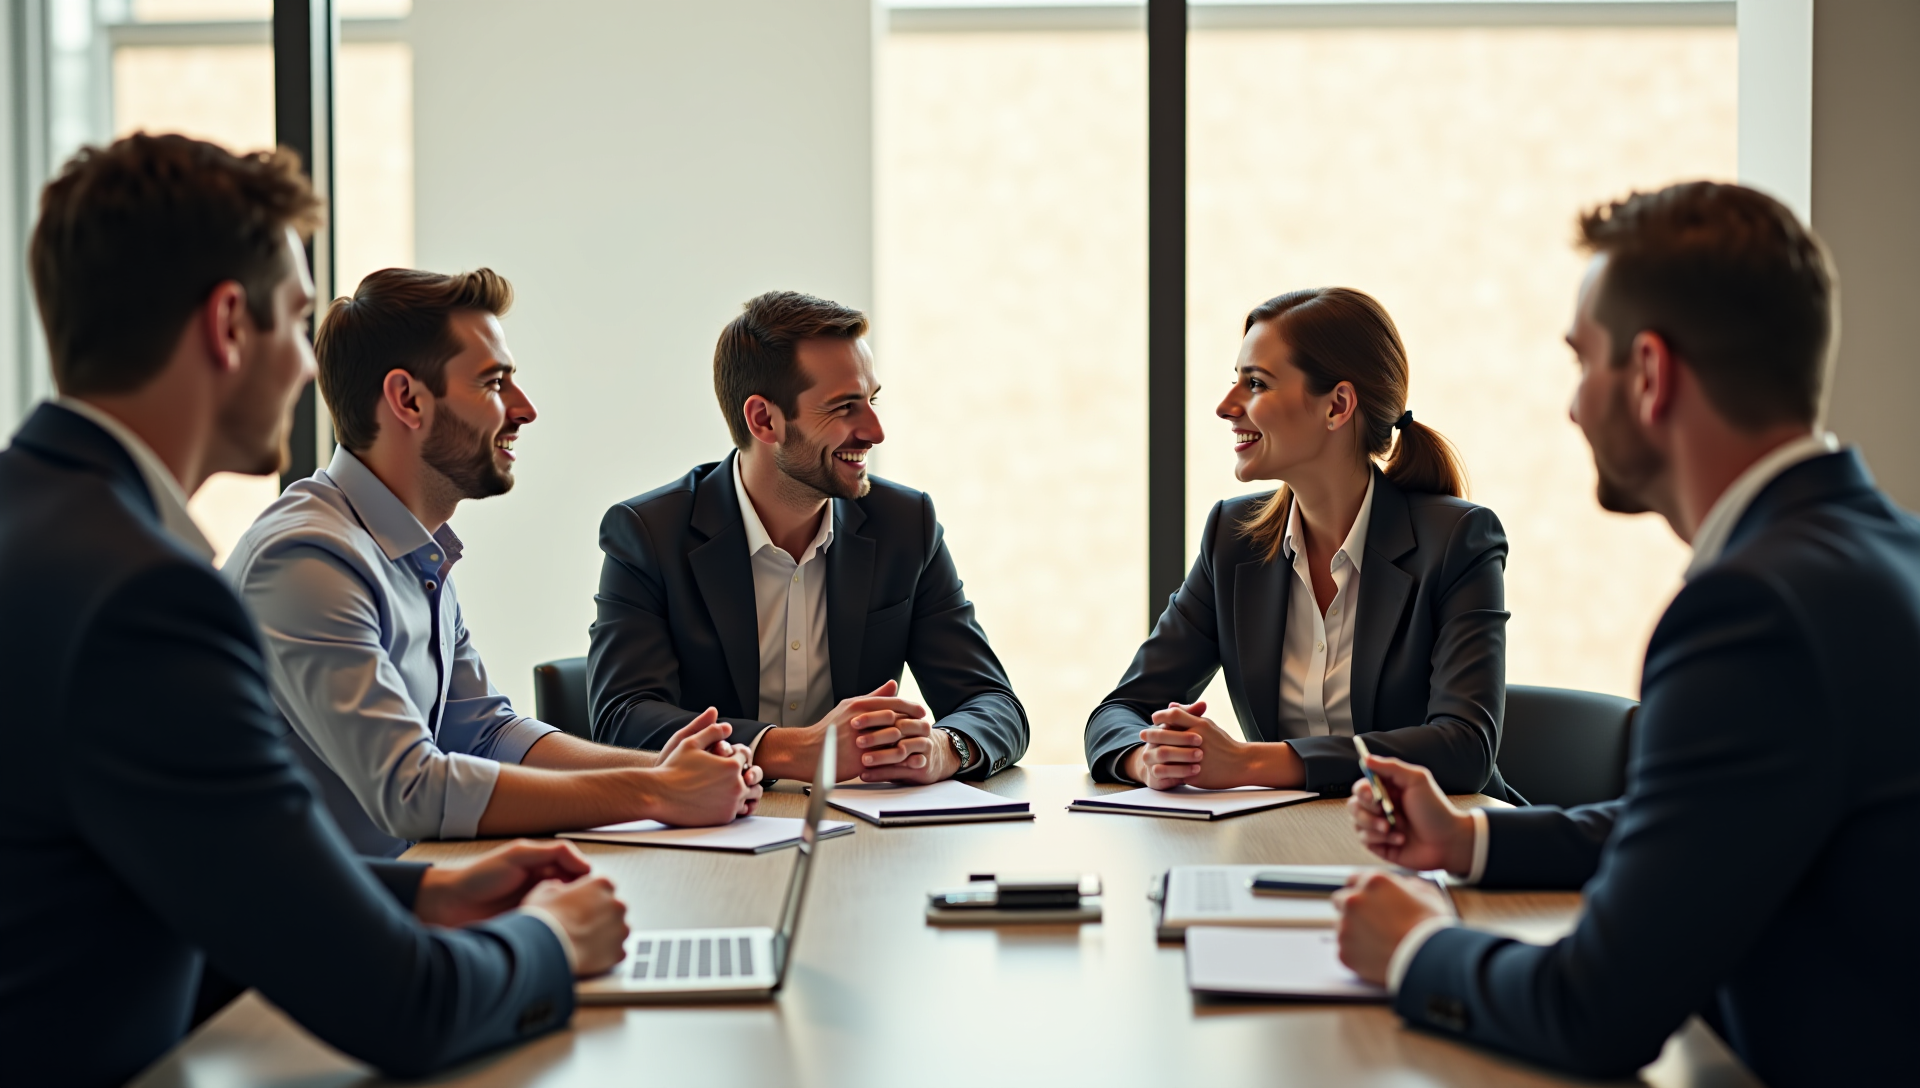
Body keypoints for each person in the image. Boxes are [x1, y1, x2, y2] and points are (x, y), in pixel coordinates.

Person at [0, 134, 628, 1088]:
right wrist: (551, 941)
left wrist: (422, 892)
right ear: (226, 325)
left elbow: (184, 877)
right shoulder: (147, 596)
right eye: (296, 323)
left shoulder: (40, 529)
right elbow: (401, 1007)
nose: (305, 367)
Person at [1335, 182, 1918, 1087]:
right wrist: (1469, 843)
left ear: (1650, 375)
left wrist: (1413, 951)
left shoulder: (1753, 611)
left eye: (1583, 361)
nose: (1572, 407)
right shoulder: (1884, 552)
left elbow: (1592, 1009)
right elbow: (1707, 821)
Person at [225, 268, 762, 859]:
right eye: (494, 383)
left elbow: (487, 732)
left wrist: (668, 767)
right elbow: (413, 789)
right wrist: (655, 791)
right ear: (407, 399)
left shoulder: (411, 550)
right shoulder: (307, 560)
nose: (525, 409)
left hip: (407, 897)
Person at [1085, 288, 1513, 800]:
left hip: (1436, 856)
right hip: (1288, 846)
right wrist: (1148, 758)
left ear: (1337, 406)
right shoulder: (1233, 538)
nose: (1226, 407)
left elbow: (1463, 750)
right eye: (1235, 382)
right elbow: (1119, 711)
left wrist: (1251, 762)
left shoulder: (1458, 541)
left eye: (1256, 383)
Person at [589, 290, 1028, 783]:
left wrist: (945, 748)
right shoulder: (649, 533)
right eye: (843, 408)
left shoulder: (905, 524)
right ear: (764, 420)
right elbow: (622, 718)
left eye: (872, 401)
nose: (875, 430)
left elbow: (993, 704)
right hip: (710, 829)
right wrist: (789, 750)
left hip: (862, 834)